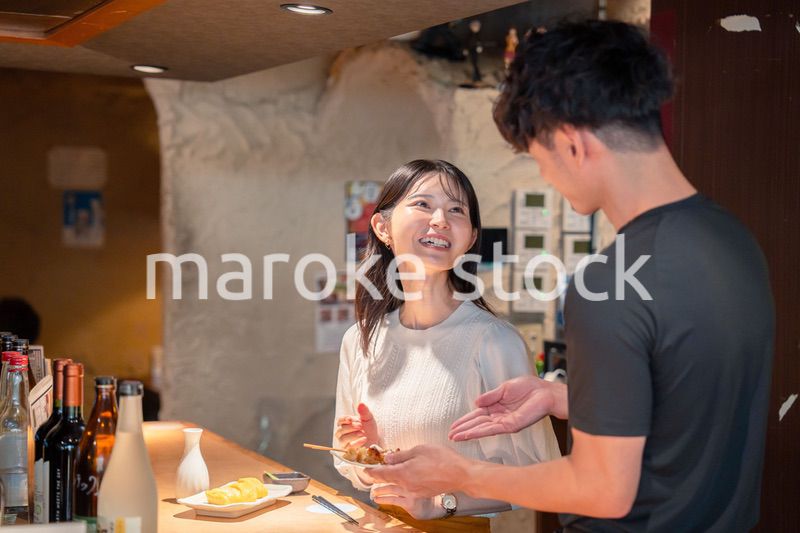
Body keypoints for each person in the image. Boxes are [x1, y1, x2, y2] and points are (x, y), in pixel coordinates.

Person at [370, 20, 774, 532]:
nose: (546, 176)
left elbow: (602, 490)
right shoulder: (735, 240)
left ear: (572, 143)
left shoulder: (609, 282)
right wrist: (564, 398)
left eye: (539, 158)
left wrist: (461, 473)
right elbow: (690, 410)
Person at [333, 159, 560, 520]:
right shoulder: (360, 339)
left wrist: (441, 504)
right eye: (423, 204)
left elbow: (541, 479)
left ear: (469, 238)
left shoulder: (494, 341)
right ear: (382, 227)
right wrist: (371, 453)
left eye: (456, 210)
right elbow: (354, 468)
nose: (440, 220)